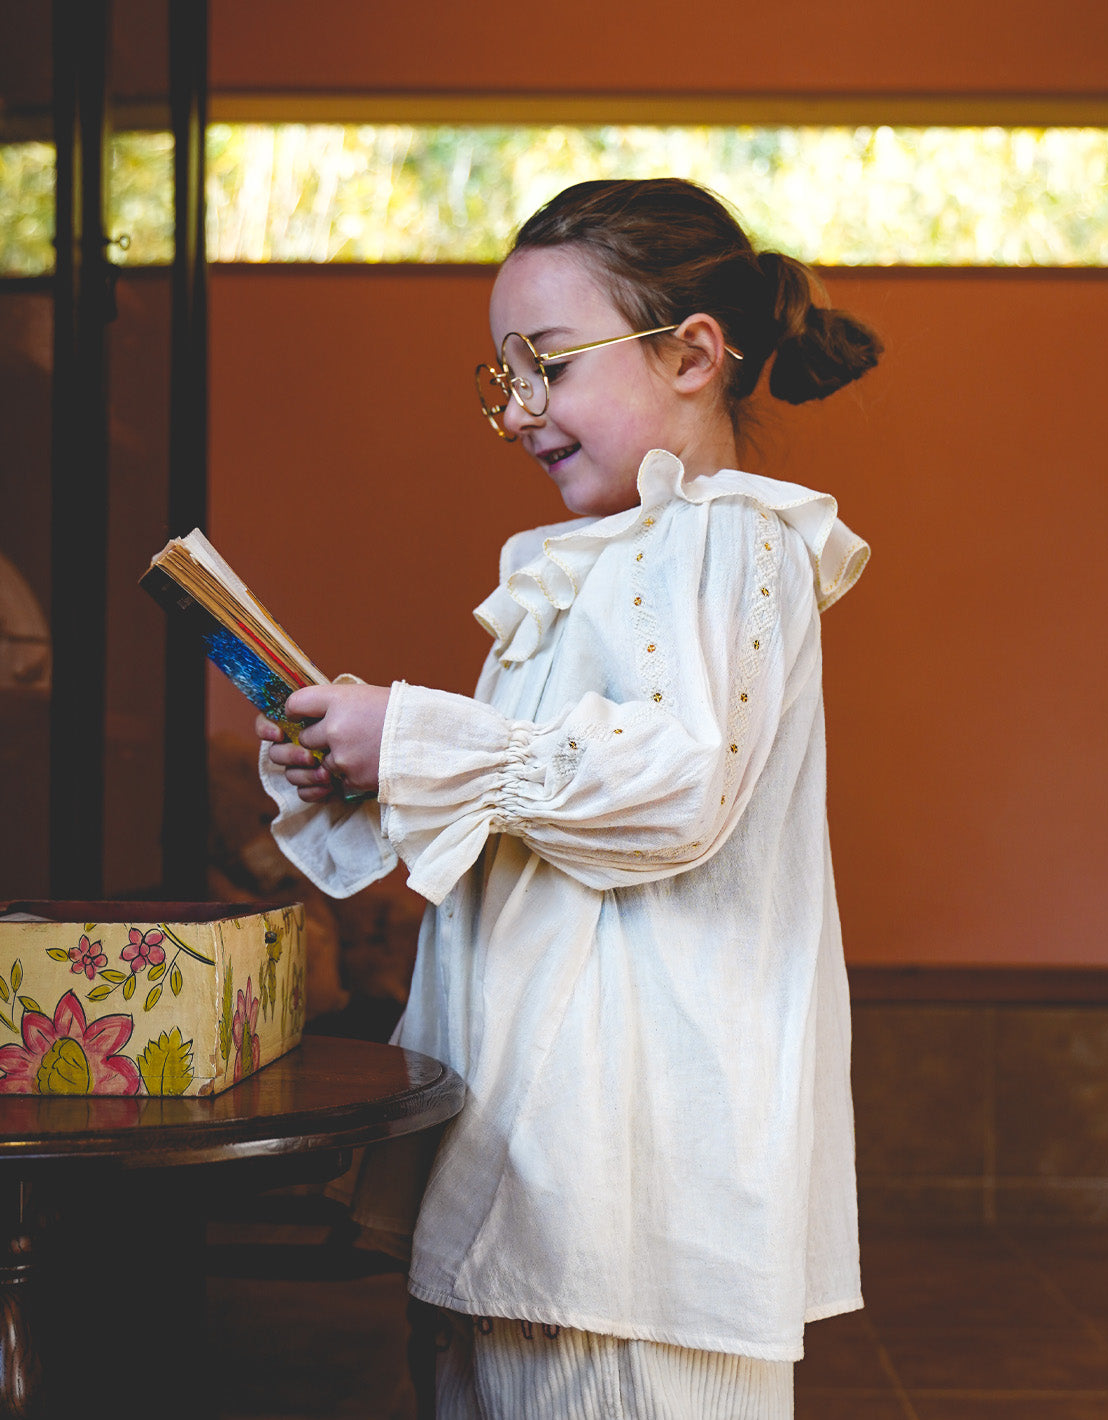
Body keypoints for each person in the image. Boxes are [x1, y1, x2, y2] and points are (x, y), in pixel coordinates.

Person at [257, 176, 881, 1419]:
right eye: (502, 378)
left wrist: (422, 738)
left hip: (625, 1182)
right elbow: (535, 806)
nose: (517, 412)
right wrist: (370, 764)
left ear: (691, 355)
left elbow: (675, 789)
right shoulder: (586, 565)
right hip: (531, 1144)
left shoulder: (730, 538)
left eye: (545, 364)